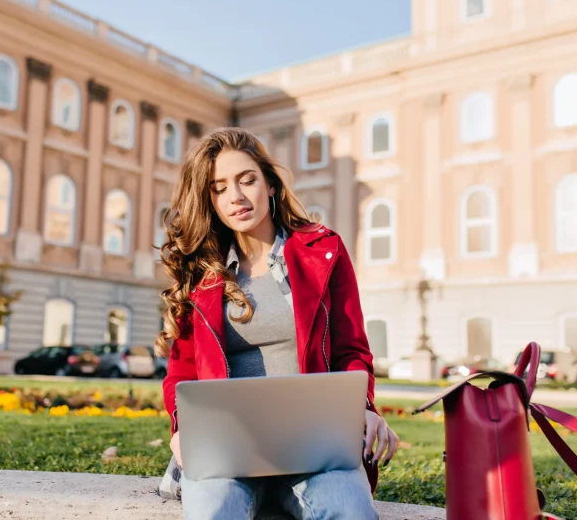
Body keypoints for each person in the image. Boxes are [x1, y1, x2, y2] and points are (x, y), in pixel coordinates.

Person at [155, 127, 398, 520]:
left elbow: (351, 348)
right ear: (209, 200)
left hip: (315, 450)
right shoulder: (200, 274)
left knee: (350, 512)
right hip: (226, 452)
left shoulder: (325, 251)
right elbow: (181, 374)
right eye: (219, 188)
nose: (235, 196)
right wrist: (184, 432)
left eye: (246, 179)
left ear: (269, 184)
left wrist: (365, 409)